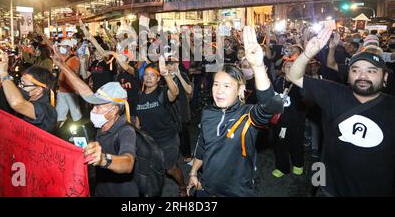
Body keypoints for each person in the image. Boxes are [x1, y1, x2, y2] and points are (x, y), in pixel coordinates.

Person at [287, 25, 395, 196]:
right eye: (355, 70)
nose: (362, 76)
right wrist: (307, 54)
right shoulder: (334, 93)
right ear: (348, 74)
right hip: (328, 188)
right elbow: (294, 76)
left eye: (371, 71)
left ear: (385, 78)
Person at [187, 26, 283, 197]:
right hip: (207, 188)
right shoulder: (208, 113)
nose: (219, 91)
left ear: (240, 90)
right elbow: (202, 146)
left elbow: (269, 106)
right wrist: (194, 172)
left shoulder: (247, 116)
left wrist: (258, 66)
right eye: (216, 85)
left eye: (226, 86)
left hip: (238, 192)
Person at [51, 52, 137, 197]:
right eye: (94, 106)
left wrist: (103, 159)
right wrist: (63, 66)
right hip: (100, 190)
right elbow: (84, 91)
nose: (93, 110)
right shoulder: (104, 124)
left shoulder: (126, 131)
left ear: (114, 110)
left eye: (99, 107)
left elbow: (128, 163)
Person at [136, 57, 187, 196]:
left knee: (169, 169)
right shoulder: (139, 96)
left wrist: (166, 75)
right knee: (150, 168)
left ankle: (183, 186)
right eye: (146, 74)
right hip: (149, 140)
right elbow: (138, 119)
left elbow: (175, 92)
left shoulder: (162, 93)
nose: (148, 78)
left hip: (167, 138)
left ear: (158, 79)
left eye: (153, 75)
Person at [0, 52, 57, 133]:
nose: (20, 87)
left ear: (38, 90)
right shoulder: (29, 101)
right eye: (20, 83)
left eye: (23, 84)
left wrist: (3, 74)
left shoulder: (47, 110)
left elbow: (17, 104)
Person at [56, 39, 82, 128]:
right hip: (62, 90)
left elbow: (74, 74)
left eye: (62, 46)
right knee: (59, 114)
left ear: (68, 48)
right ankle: (56, 134)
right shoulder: (64, 57)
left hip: (70, 91)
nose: (60, 48)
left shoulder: (75, 59)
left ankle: (78, 134)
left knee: (75, 115)